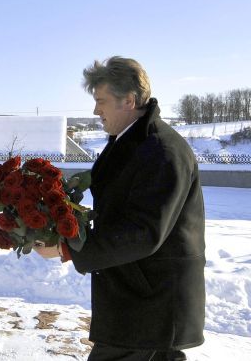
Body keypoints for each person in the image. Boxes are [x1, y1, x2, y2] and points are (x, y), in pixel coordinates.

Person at [35, 57, 205, 361]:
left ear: (129, 100)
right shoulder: (131, 142)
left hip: (152, 303)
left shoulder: (162, 152)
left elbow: (143, 232)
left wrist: (70, 249)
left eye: (101, 101)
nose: (95, 110)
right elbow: (117, 210)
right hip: (139, 300)